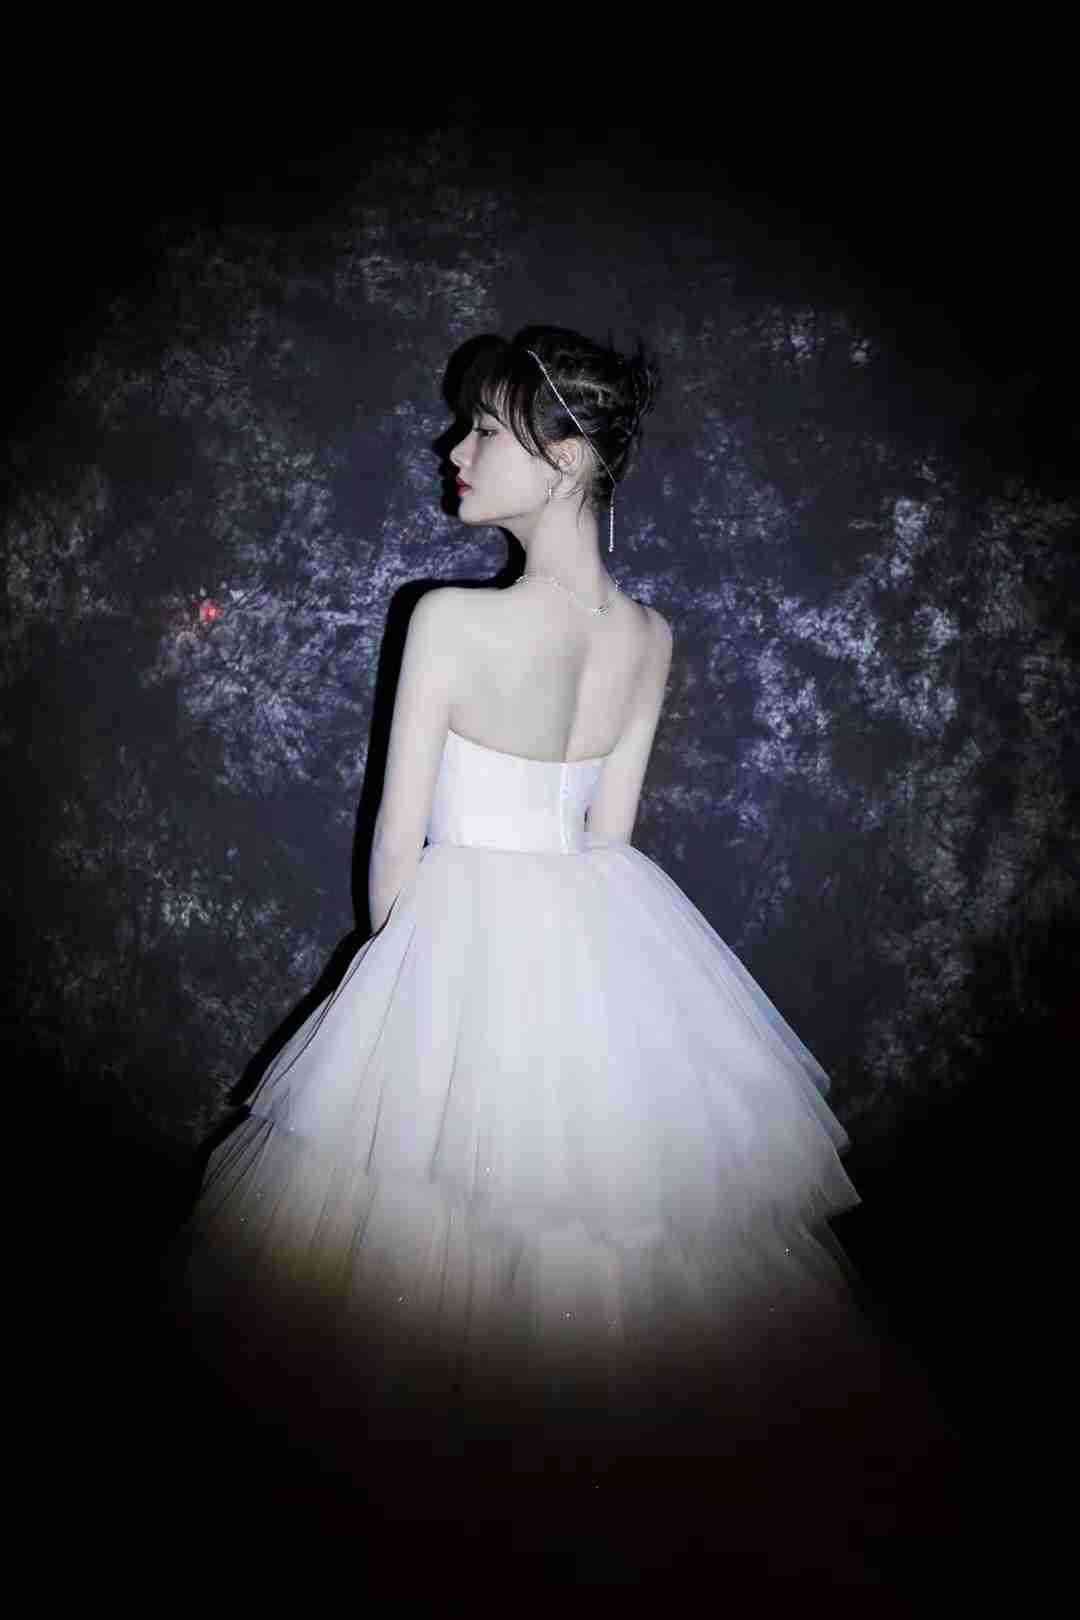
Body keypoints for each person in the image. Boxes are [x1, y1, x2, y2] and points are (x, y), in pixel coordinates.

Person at [163, 325, 966, 1591]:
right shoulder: (648, 637)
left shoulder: (445, 621)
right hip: (605, 947)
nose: (454, 447)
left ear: (569, 457)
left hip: (454, 939)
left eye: (485, 428)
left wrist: (414, 1003)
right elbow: (610, 837)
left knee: (420, 1252)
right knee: (609, 1244)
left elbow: (392, 870)